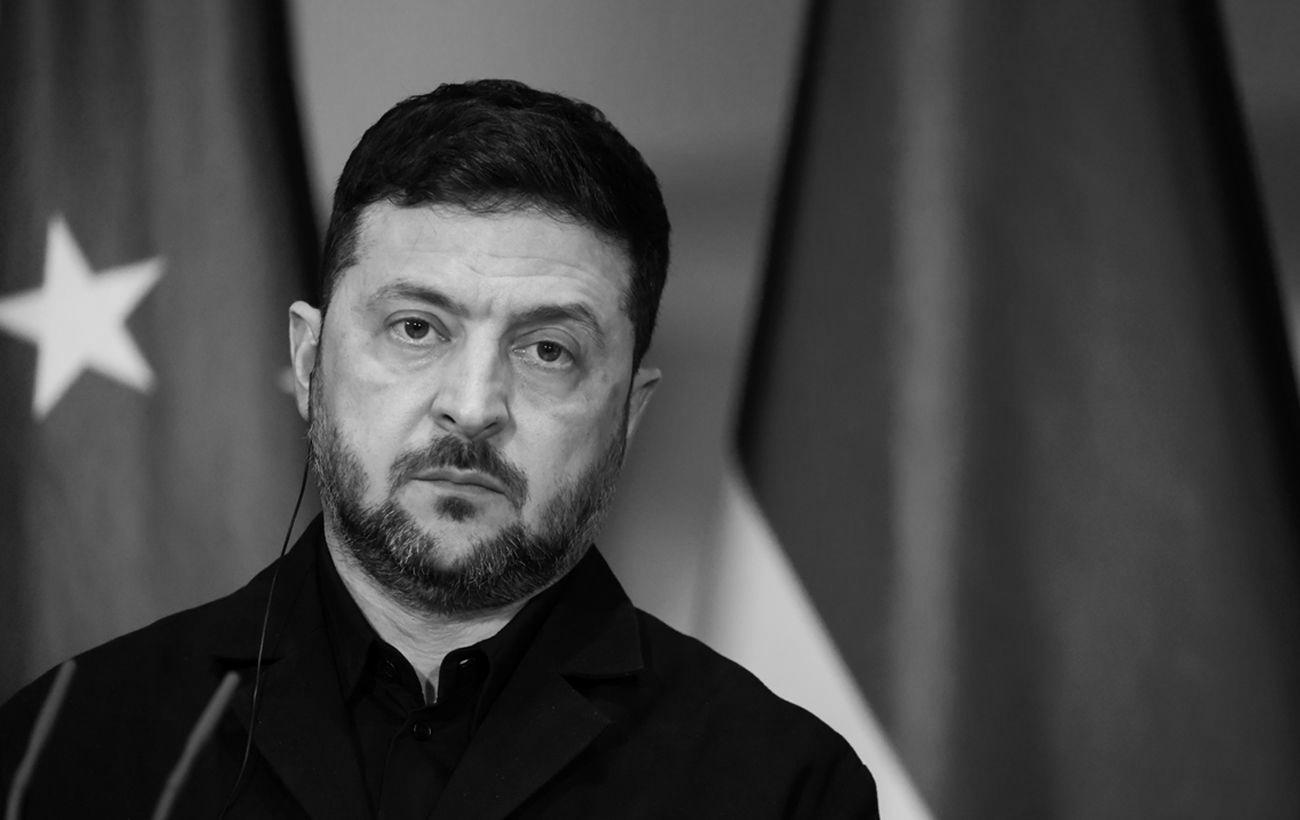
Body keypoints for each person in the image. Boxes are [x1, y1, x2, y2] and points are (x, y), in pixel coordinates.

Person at [0, 79, 877, 818]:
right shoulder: (69, 747)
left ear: (629, 414)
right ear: (308, 360)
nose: (472, 407)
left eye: (548, 350)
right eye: (416, 328)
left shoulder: (779, 785)